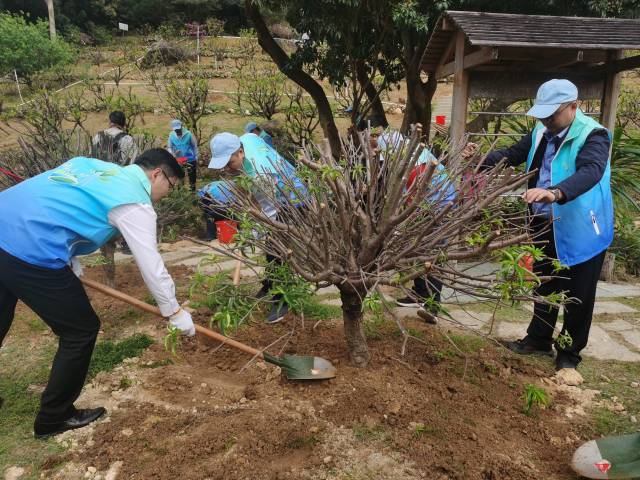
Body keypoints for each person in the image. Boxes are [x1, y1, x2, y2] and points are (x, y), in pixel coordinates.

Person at [0, 149, 196, 438]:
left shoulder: (92, 166)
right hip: (28, 247)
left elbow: (58, 199)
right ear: (158, 174)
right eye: (171, 186)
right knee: (80, 330)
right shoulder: (134, 201)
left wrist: (69, 253)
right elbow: (151, 264)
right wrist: (174, 311)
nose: (167, 193)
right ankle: (54, 418)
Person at [478, 79, 613, 372]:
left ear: (574, 106)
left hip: (581, 227)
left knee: (577, 293)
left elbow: (591, 171)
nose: (546, 121)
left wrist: (555, 193)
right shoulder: (541, 130)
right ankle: (538, 338)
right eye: (543, 115)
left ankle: (569, 353)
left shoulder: (594, 135)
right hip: (543, 222)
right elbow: (513, 155)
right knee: (544, 282)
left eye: (552, 115)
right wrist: (481, 160)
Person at [208, 131, 307, 323]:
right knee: (270, 246)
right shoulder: (241, 141)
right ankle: (269, 285)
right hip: (270, 195)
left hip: (291, 198)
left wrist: (251, 233)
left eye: (230, 163)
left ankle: (282, 299)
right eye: (223, 165)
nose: (227, 169)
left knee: (277, 248)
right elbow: (251, 137)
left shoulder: (262, 172)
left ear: (241, 153)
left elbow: (269, 213)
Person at [376, 131, 456, 324]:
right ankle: (418, 294)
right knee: (417, 252)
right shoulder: (415, 157)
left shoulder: (417, 165)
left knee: (431, 257)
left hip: (438, 210)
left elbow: (411, 198)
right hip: (428, 208)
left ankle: (432, 307)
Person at [168, 119, 199, 191]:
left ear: (181, 126)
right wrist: (173, 154)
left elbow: (194, 145)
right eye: (175, 130)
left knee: (192, 176)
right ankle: (181, 192)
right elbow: (169, 147)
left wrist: (196, 156)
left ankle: (192, 191)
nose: (177, 131)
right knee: (180, 176)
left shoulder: (188, 134)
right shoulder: (171, 135)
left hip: (190, 158)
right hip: (179, 159)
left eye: (178, 129)